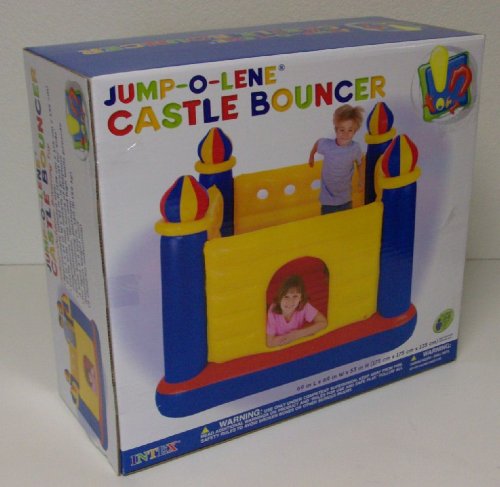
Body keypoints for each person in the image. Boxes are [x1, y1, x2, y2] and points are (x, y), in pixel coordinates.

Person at [309, 104, 364, 214]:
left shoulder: (355, 148)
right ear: (336, 129)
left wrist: (361, 180)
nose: (346, 134)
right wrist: (311, 157)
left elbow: (361, 162)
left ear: (355, 131)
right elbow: (317, 143)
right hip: (328, 199)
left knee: (346, 222)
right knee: (328, 222)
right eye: (342, 130)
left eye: (350, 130)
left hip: (345, 198)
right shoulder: (327, 145)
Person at [266, 275, 327, 348]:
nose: (290, 301)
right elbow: (270, 342)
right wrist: (292, 337)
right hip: (280, 347)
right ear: (279, 298)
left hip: (293, 343)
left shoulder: (303, 305)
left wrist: (299, 334)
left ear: (300, 298)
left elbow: (323, 322)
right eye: (286, 297)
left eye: (295, 296)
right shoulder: (273, 311)